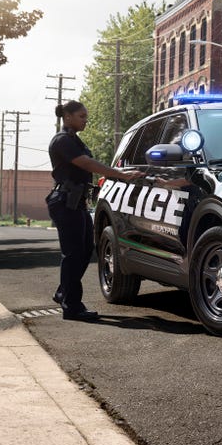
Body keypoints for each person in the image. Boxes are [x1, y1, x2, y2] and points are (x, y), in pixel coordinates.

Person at [48, 100, 144, 321]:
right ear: (68, 116)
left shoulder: (74, 140)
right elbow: (87, 164)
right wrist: (121, 175)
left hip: (77, 202)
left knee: (85, 250)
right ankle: (71, 307)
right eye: (81, 116)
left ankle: (64, 292)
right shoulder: (62, 141)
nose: (85, 120)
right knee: (72, 254)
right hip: (65, 202)